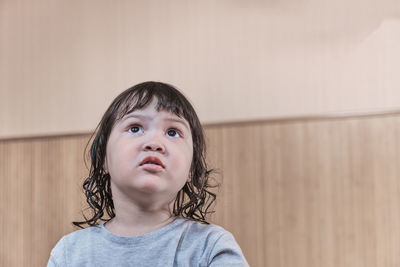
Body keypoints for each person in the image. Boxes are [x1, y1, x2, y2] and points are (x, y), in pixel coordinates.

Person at [47, 81, 249, 267]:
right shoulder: (69, 254)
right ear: (103, 159)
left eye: (172, 132)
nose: (154, 143)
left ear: (191, 169)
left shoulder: (211, 247)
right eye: (135, 128)